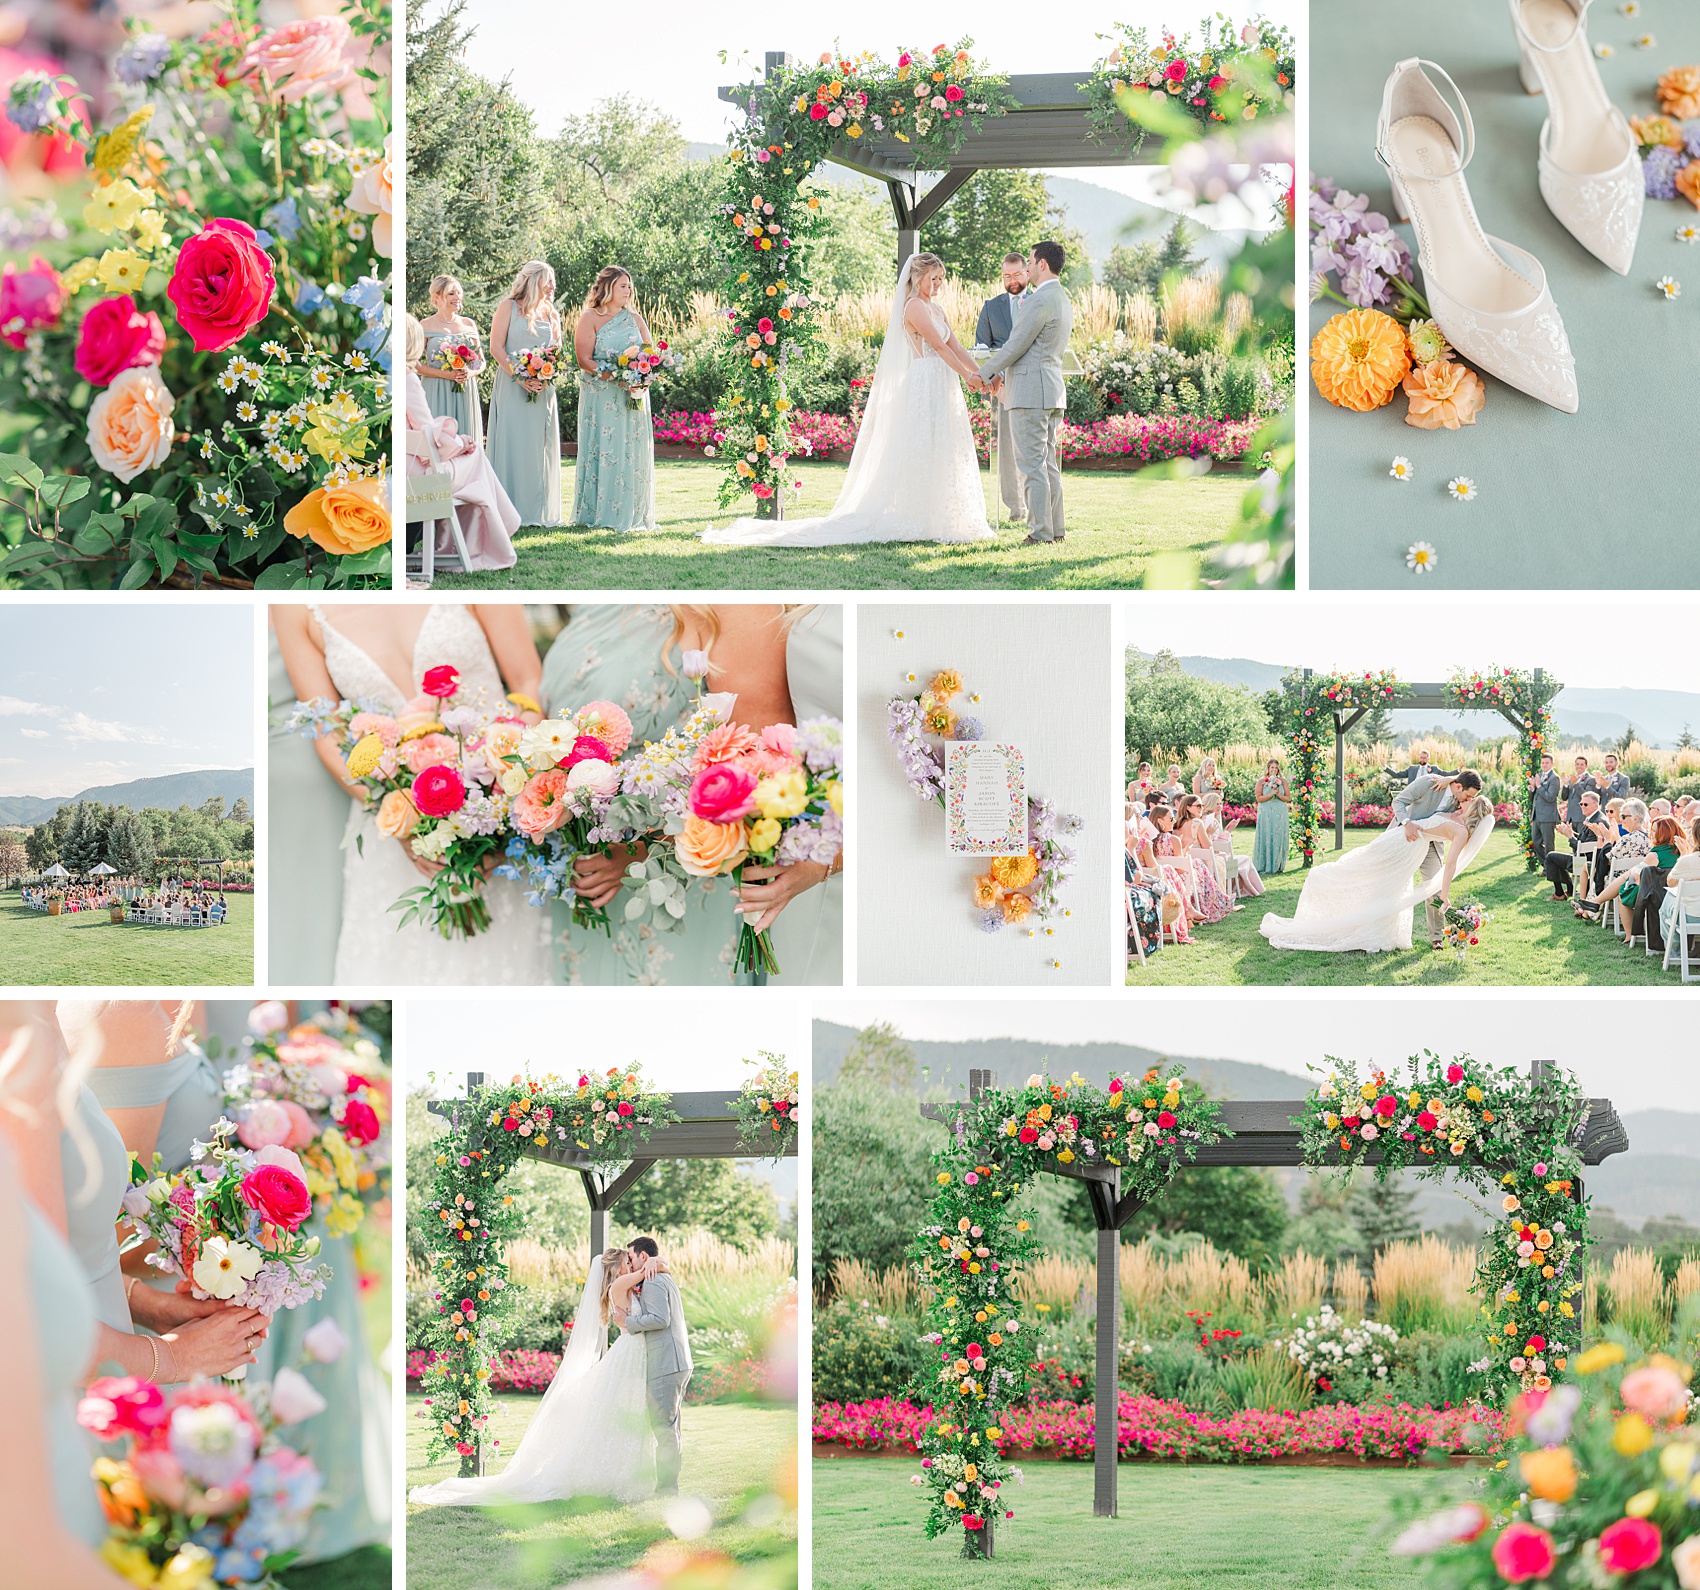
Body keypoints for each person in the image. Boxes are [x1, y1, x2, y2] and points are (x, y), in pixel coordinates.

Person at [273, 603, 554, 983]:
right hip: (393, 827)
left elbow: (528, 682)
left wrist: (503, 787)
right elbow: (328, 732)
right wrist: (406, 818)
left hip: (503, 814)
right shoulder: (294, 608)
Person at [702, 253, 995, 548]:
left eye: (941, 279)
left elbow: (956, 346)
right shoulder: (915, 307)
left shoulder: (937, 309)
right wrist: (969, 378)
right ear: (918, 278)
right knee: (923, 445)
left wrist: (981, 373)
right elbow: (939, 348)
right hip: (925, 381)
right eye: (934, 279)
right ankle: (918, 515)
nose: (938, 284)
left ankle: (941, 514)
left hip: (943, 383)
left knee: (944, 444)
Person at [408, 1246, 662, 1506]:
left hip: (632, 1354)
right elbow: (648, 1270)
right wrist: (653, 1261)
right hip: (628, 1352)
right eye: (625, 1261)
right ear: (616, 1267)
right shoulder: (621, 1283)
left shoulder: (626, 1285)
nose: (630, 1264)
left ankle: (619, 1470)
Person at [1260, 775, 1495, 954]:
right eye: (1467, 795)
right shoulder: (1430, 783)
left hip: (1428, 846)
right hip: (1404, 836)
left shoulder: (1460, 806)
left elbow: (1466, 822)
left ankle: (1437, 937)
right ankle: (1360, 925)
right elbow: (1400, 801)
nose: (1467, 800)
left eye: (1471, 799)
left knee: (1431, 889)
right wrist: (1406, 823)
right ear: (1458, 787)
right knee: (1377, 881)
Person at [974, 241, 1073, 545]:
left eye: (1030, 262)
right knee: (1047, 465)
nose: (1027, 268)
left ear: (1042, 264)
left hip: (1030, 393)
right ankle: (1055, 530)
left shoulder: (1038, 301)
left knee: (1031, 466)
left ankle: (1040, 534)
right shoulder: (1062, 298)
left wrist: (983, 373)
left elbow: (1015, 346)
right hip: (1050, 391)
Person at [404, 314, 519, 572]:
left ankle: (472, 539)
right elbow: (428, 433)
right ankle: (495, 533)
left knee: (471, 457)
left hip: (404, 467)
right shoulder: (407, 379)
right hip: (419, 476)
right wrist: (460, 442)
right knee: (475, 455)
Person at [570, 265, 658, 532]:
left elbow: (650, 355)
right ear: (607, 288)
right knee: (607, 448)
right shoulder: (590, 317)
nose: (628, 290)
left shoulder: (636, 319)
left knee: (632, 449)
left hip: (633, 395)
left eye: (629, 286)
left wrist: (642, 377)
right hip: (602, 395)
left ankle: (633, 512)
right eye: (623, 285)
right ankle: (599, 512)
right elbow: (584, 359)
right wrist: (616, 377)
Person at [486, 260, 563, 527]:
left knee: (539, 448)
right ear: (534, 280)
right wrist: (520, 377)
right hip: (511, 385)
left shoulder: (552, 314)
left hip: (543, 389)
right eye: (549, 280)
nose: (553, 286)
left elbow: (556, 353)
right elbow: (496, 347)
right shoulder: (508, 307)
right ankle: (509, 510)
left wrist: (544, 375)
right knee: (512, 443)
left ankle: (538, 511)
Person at [622, 1236, 693, 1496]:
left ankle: (667, 1488)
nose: (629, 1263)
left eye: (631, 1257)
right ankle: (668, 1484)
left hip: (666, 1361)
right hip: (676, 1359)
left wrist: (628, 1322)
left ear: (644, 1256)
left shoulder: (652, 1278)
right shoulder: (659, 1273)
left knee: (663, 1428)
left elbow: (660, 1319)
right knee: (670, 1426)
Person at [973, 251, 1031, 522]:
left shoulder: (1039, 302)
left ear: (1027, 272)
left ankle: (1037, 505)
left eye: (1017, 274)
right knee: (1007, 452)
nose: (1012, 280)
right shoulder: (991, 307)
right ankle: (1016, 509)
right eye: (1007, 276)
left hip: (1034, 387)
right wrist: (998, 381)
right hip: (1003, 391)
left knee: (1033, 448)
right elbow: (982, 349)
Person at [417, 274, 485, 447]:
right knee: (438, 445)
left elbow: (481, 361)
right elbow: (413, 363)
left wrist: (470, 372)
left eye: (459, 293)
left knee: (467, 443)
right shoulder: (425, 325)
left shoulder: (469, 324)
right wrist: (445, 374)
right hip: (436, 390)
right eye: (451, 294)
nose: (457, 298)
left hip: (465, 392)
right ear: (437, 297)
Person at [1253, 757, 1291, 876]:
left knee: (1278, 835)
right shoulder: (1262, 781)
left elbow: (1287, 798)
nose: (1274, 769)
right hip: (1266, 812)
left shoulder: (1283, 781)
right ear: (1268, 768)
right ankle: (1264, 864)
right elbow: (1258, 798)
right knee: (1266, 834)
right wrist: (1270, 795)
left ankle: (1277, 864)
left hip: (1280, 812)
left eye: (1276, 767)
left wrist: (1279, 795)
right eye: (1272, 767)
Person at [1530, 753, 1561, 884]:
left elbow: (1550, 797)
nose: (1544, 765)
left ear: (1552, 764)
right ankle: (1546, 866)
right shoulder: (1540, 776)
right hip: (1537, 815)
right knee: (1536, 842)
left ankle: (1550, 871)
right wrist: (1532, 789)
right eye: (1542, 763)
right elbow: (1534, 797)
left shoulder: (1555, 778)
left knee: (1549, 844)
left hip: (1548, 816)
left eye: (1546, 763)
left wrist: (1538, 786)